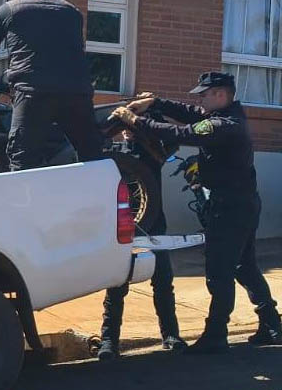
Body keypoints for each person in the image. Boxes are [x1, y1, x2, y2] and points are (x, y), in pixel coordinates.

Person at [111, 71, 282, 353]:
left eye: (204, 95)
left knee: (219, 272)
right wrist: (155, 102)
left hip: (229, 208)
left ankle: (215, 335)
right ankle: (272, 324)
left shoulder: (224, 125)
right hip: (242, 204)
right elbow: (189, 113)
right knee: (245, 267)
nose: (200, 100)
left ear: (221, 94)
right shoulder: (225, 116)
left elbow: (182, 133)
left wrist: (136, 121)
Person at [0, 0, 103, 171]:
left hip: (34, 92)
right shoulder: (71, 11)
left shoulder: (10, 9)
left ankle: (24, 192)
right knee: (91, 154)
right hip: (77, 91)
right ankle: (100, 189)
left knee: (22, 157)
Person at [98, 127, 187, 360]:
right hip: (121, 228)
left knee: (163, 281)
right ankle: (109, 341)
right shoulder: (111, 154)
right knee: (117, 285)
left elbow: (174, 141)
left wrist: (145, 123)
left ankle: (171, 335)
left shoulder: (152, 151)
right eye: (124, 126)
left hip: (154, 226)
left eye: (131, 126)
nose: (128, 131)